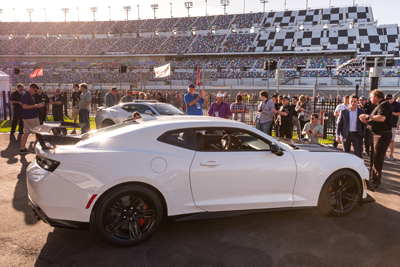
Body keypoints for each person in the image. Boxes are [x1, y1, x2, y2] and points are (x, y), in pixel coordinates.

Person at [359, 89, 393, 189]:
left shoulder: (384, 104)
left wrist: (368, 116)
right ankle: (372, 178)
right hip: (375, 134)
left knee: (377, 158)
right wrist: (365, 121)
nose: (370, 99)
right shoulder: (377, 106)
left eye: (370, 97)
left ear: (375, 96)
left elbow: (382, 118)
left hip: (382, 135)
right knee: (373, 157)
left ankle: (375, 181)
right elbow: (374, 122)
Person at [20, 83, 44, 153]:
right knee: (38, 132)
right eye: (35, 90)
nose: (36, 92)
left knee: (26, 133)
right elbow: (24, 106)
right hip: (30, 117)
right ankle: (39, 148)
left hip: (28, 116)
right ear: (31, 88)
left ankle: (22, 148)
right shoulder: (26, 95)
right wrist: (36, 106)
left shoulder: (29, 95)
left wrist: (36, 106)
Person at [384, 94, 400, 161]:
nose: (387, 102)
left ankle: (391, 155)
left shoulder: (397, 104)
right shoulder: (384, 104)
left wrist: (391, 113)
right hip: (384, 124)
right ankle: (384, 154)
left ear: (392, 99)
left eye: (388, 100)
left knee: (391, 140)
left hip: (393, 124)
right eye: (386, 100)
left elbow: (399, 113)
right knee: (383, 140)